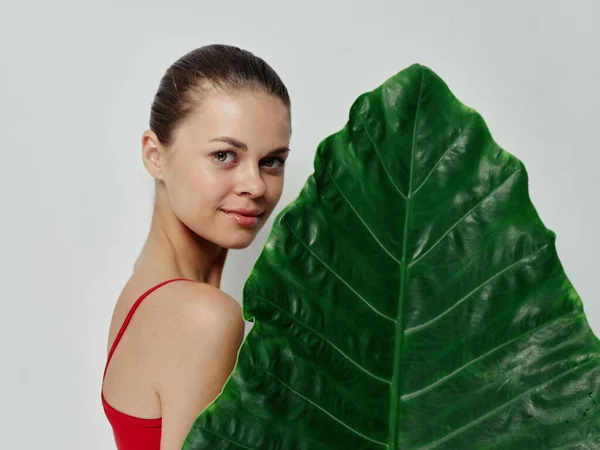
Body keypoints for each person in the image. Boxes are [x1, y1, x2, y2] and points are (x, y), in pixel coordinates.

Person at [100, 44, 292, 450]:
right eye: (224, 155)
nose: (255, 186)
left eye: (272, 161)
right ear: (156, 156)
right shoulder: (203, 317)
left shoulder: (148, 287)